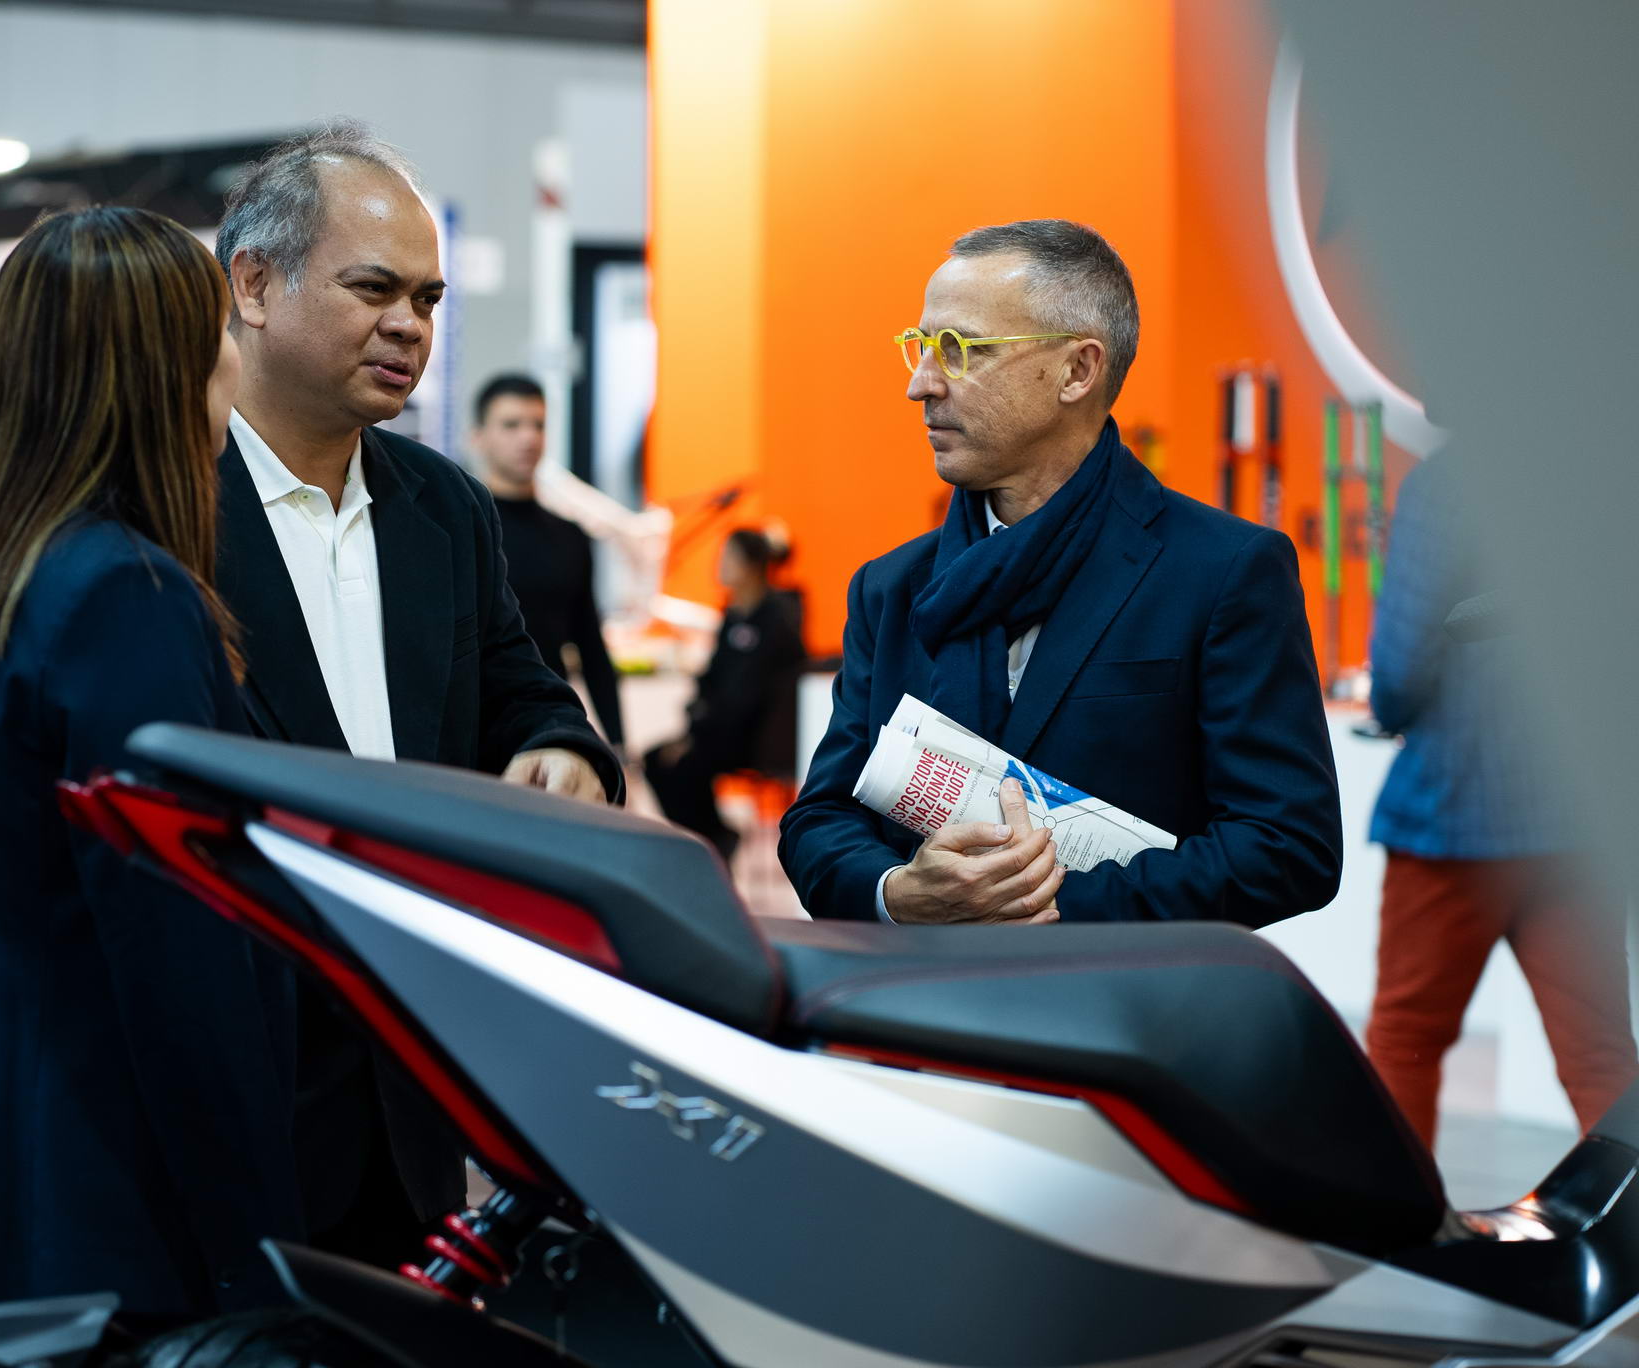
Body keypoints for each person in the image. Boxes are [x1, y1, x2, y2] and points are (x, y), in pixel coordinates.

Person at [0, 206, 305, 1322]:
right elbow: (174, 950)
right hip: (93, 1203)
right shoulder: (126, 595)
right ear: (163, 367)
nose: (234, 362)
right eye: (218, 333)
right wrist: (260, 1244)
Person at [211, 121, 621, 1270]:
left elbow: (520, 687)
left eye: (428, 300)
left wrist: (565, 750)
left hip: (410, 1093)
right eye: (373, 289)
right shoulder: (164, 510)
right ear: (253, 285)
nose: (409, 326)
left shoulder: (442, 508)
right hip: (232, 1098)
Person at [779, 219, 1340, 926]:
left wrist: (1052, 907)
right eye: (921, 346)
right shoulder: (890, 589)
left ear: (1078, 370)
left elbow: (1288, 846)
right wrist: (896, 893)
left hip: (1117, 993)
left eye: (959, 350)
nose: (921, 384)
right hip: (921, 989)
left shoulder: (1223, 571)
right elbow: (820, 819)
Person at [1364, 457, 1637, 1145]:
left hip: (1454, 812)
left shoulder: (1446, 485)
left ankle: (1402, 1210)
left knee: (1406, 1040)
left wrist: (1391, 710)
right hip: (1578, 818)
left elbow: (1399, 664)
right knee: (1601, 1055)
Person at [467, 372, 626, 754]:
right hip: (471, 729)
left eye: (538, 425)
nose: (528, 437)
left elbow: (591, 646)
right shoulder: (461, 528)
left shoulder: (570, 535)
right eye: (511, 425)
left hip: (545, 725)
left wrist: (620, 744)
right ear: (479, 437)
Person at [645, 527, 805, 858]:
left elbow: (747, 697)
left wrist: (696, 736)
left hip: (757, 737)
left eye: (728, 557)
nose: (719, 565)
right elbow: (710, 680)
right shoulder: (732, 616)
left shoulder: (776, 622)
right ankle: (708, 838)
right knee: (656, 760)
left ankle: (713, 839)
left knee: (682, 765)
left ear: (751, 565)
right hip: (719, 731)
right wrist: (693, 725)